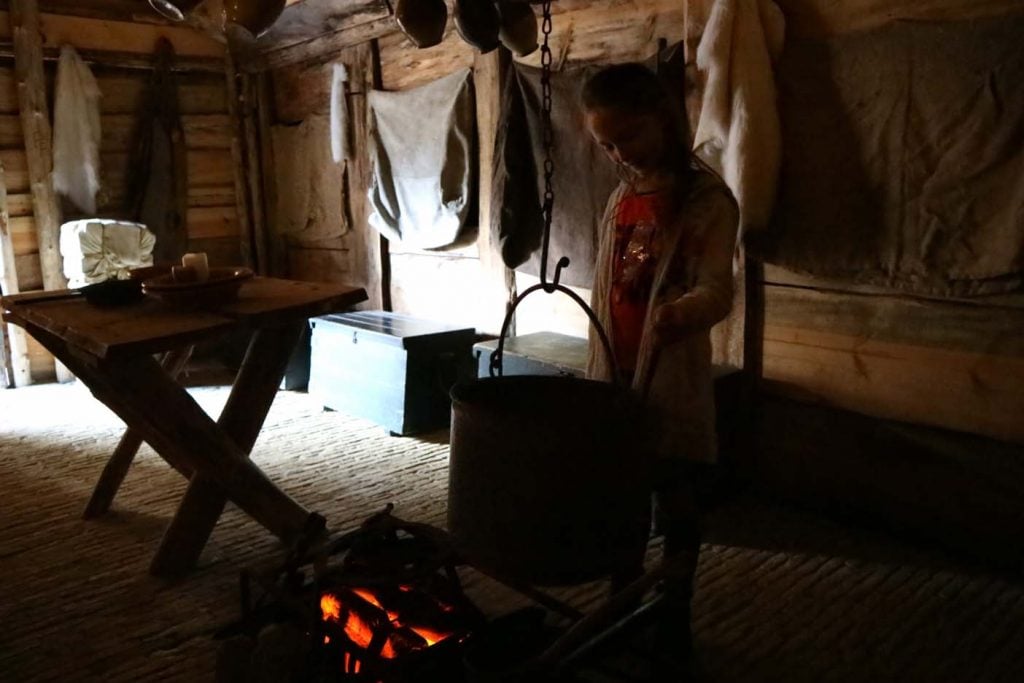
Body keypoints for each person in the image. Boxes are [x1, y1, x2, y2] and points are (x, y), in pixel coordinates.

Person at [582, 62, 740, 674]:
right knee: (620, 500)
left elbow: (719, 290)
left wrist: (681, 314)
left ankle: (674, 619)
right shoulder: (625, 194)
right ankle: (622, 609)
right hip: (616, 370)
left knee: (675, 501)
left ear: (663, 121)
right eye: (606, 145)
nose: (619, 154)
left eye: (629, 138)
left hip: (669, 372)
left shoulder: (705, 199)